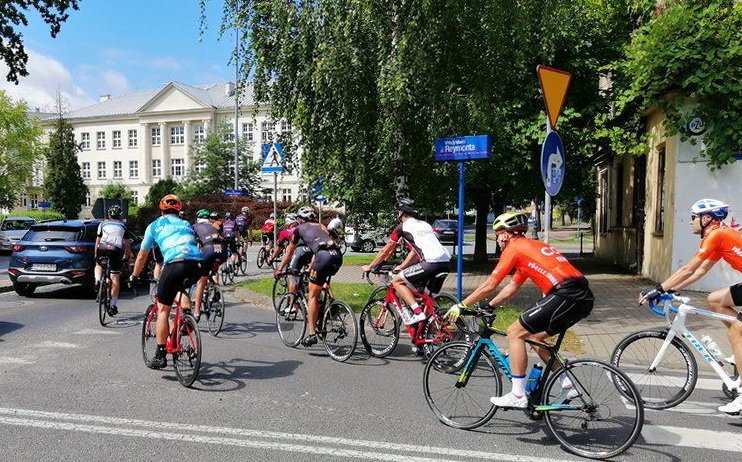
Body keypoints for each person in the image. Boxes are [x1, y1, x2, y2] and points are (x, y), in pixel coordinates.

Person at [446, 211, 594, 409]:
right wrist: (489, 305)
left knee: (514, 332)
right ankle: (567, 383)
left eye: (497, 234)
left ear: (506, 234)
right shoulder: (531, 247)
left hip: (566, 295)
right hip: (581, 297)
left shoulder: (514, 248)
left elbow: (490, 284)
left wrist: (462, 305)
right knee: (533, 337)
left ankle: (517, 394)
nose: (497, 239)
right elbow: (512, 287)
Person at [639, 198, 742, 414]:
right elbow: (699, 271)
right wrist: (668, 288)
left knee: (738, 331)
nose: (691, 222)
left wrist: (659, 289)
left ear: (706, 219)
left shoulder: (717, 235)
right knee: (715, 300)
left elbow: (688, 269)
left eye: (694, 217)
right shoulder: (717, 236)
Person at [130, 195, 203, 369]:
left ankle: (161, 353)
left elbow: (142, 255)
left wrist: (134, 275)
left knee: (163, 309)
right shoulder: (186, 224)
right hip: (196, 265)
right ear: (179, 210)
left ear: (161, 209)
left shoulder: (155, 225)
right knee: (180, 289)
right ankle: (186, 317)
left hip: (174, 264)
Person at [362, 198, 451, 325]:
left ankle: (417, 312)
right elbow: (415, 252)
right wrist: (402, 266)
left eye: (398, 212)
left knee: (396, 281)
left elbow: (385, 251)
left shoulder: (402, 227)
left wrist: (370, 266)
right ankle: (427, 335)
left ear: (402, 213)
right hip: (445, 263)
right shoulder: (425, 225)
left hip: (430, 262)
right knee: (426, 298)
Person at [276, 206, 342, 346]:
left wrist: (280, 268)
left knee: (312, 295)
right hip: (337, 255)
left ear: (300, 219)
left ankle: (312, 334)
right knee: (320, 287)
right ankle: (323, 316)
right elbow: (320, 246)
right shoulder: (321, 226)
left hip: (322, 257)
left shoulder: (298, 229)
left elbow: (289, 252)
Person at [94, 205, 132, 316]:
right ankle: (113, 305)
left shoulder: (102, 224)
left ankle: (97, 281)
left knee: (98, 264)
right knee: (115, 277)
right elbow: (127, 244)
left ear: (109, 215)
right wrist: (126, 255)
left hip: (103, 247)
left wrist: (96, 253)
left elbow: (98, 240)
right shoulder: (123, 226)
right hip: (115, 250)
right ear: (120, 216)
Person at [192, 209, 227, 322]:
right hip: (222, 251)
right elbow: (221, 237)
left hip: (209, 250)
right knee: (213, 271)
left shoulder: (195, 226)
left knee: (201, 281)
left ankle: (196, 311)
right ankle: (215, 291)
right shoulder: (214, 225)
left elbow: (192, 243)